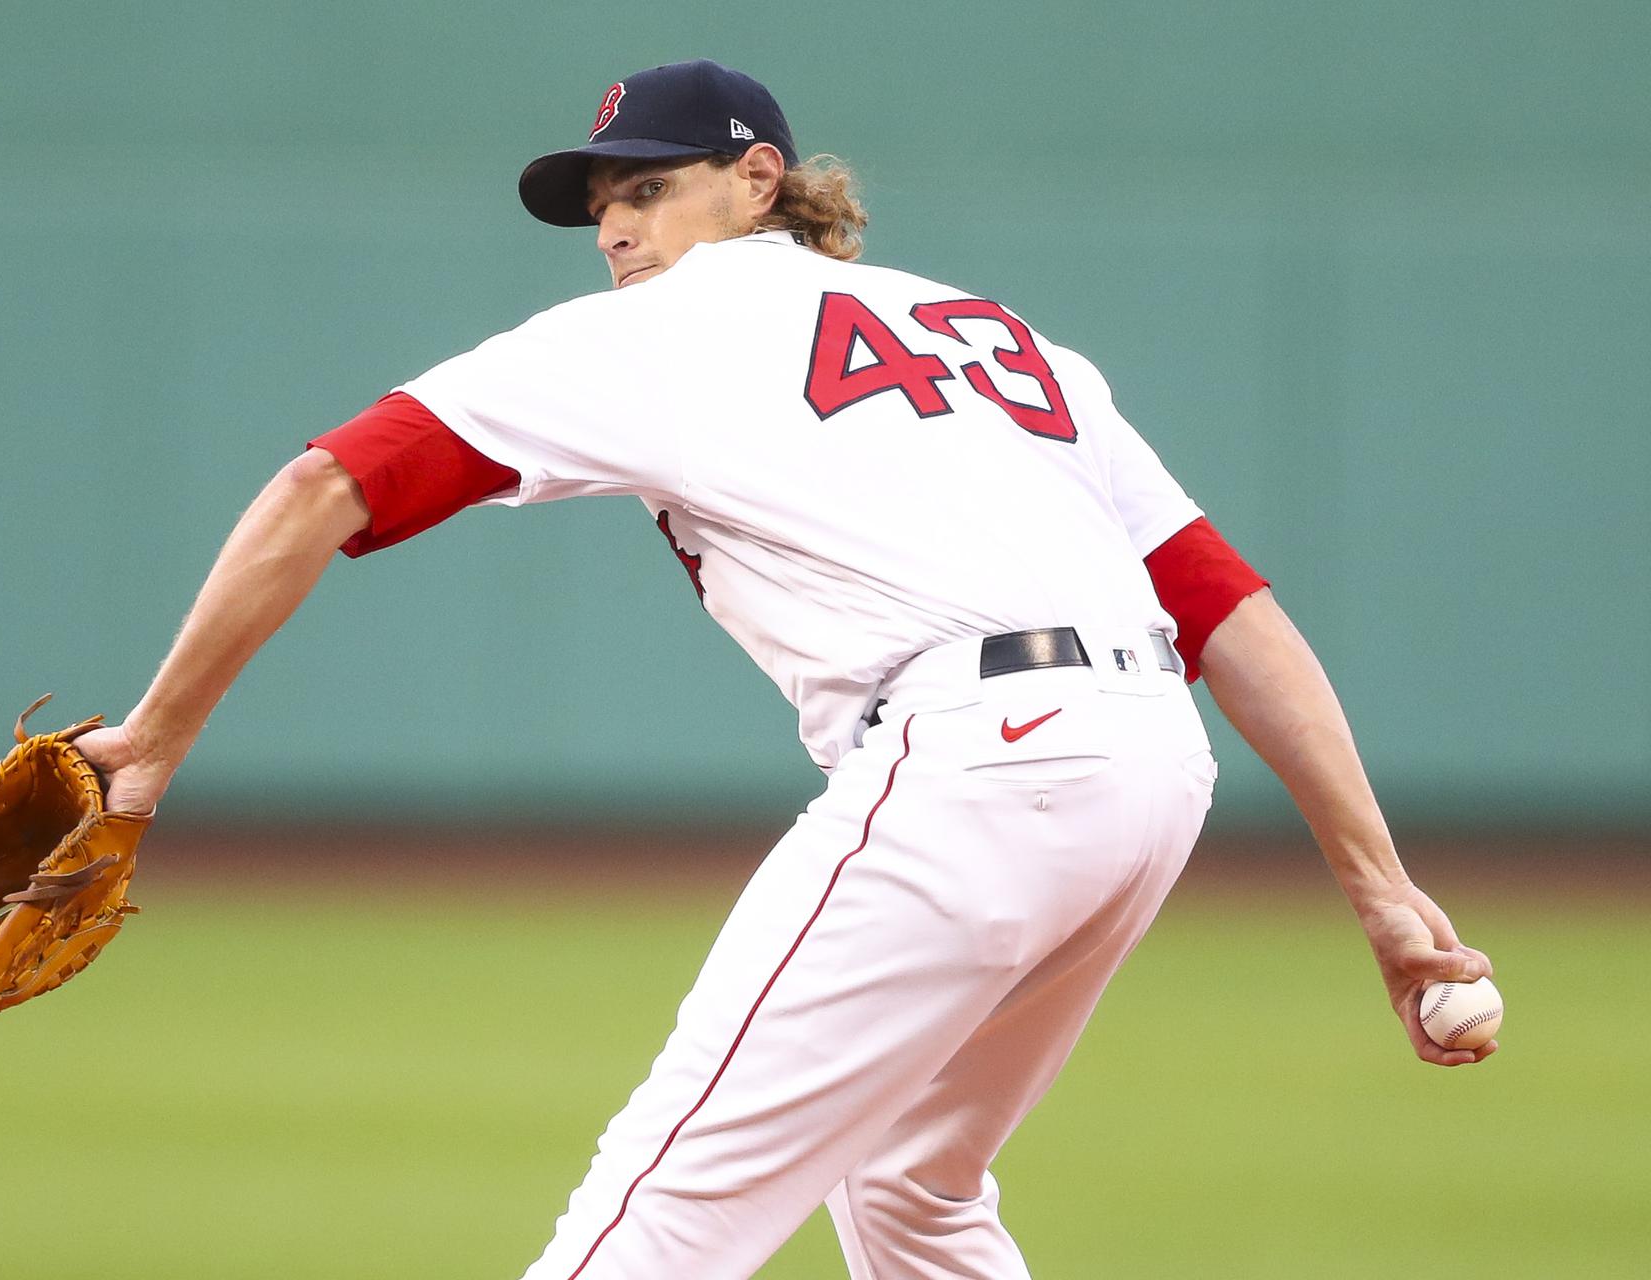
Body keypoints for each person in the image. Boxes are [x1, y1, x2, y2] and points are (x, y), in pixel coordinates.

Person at [73, 59, 1496, 1280]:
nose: (613, 228)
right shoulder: (1010, 343)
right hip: (1145, 770)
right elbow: (1226, 614)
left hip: (975, 762)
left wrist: (151, 739)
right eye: (599, 206)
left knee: (656, 1217)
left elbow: (328, 481)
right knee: (911, 1187)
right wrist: (1377, 883)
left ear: (759, 180)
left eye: (645, 188)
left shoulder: (667, 327)